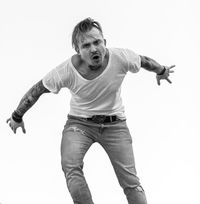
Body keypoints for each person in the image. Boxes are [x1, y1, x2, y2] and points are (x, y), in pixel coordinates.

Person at [7, 17, 175, 204]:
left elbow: (143, 61)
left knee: (130, 181)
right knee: (70, 165)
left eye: (97, 42)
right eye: (86, 45)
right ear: (78, 51)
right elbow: (37, 90)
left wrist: (162, 70)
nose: (94, 49)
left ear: (105, 42)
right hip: (79, 125)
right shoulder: (66, 70)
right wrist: (17, 116)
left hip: (115, 125)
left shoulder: (121, 57)